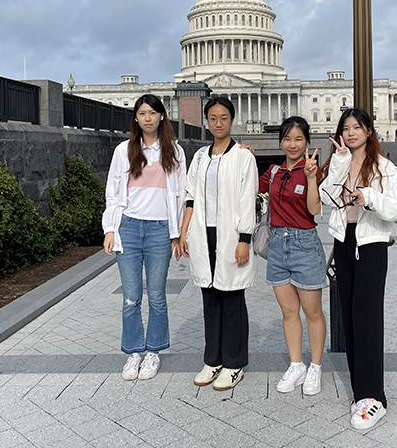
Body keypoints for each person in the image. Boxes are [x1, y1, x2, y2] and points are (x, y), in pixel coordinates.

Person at [318, 108, 397, 430]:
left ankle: (374, 398)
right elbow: (327, 198)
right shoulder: (339, 162)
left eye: (357, 127)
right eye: (346, 128)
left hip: (371, 245)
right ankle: (362, 392)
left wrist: (369, 197)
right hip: (344, 243)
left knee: (368, 319)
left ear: (369, 131)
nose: (351, 133)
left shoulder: (384, 167)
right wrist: (340, 166)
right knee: (350, 318)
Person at [102, 94, 186, 382]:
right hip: (129, 226)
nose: (147, 118)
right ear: (135, 118)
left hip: (160, 229)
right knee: (131, 297)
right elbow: (113, 192)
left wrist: (177, 235)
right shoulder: (123, 150)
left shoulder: (174, 151)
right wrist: (110, 229)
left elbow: (180, 195)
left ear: (162, 116)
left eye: (152, 112)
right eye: (142, 113)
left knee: (158, 296)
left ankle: (154, 351)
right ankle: (133, 351)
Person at [178, 96, 258, 391]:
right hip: (203, 233)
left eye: (224, 117)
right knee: (210, 300)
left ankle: (234, 363)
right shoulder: (200, 156)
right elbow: (190, 196)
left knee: (232, 299)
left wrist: (244, 239)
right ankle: (213, 360)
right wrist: (184, 232)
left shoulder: (243, 156)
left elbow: (247, 200)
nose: (218, 123)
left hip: (230, 235)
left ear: (231, 120)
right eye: (213, 118)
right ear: (206, 121)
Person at [259, 116, 326, 395]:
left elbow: (314, 210)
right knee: (289, 312)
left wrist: (311, 178)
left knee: (312, 312)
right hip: (277, 244)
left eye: (299, 139)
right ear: (281, 141)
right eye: (287, 139)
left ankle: (316, 367)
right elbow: (248, 185)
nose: (293, 144)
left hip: (305, 244)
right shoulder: (273, 172)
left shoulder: (312, 169)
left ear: (307, 141)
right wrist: (242, 154)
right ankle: (296, 364)